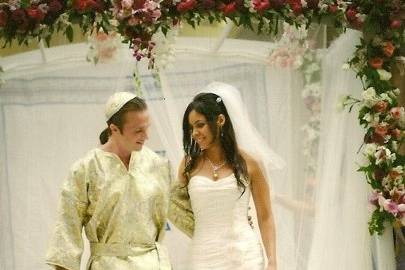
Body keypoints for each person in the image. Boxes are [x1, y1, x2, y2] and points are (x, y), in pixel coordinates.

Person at [46, 92, 172, 270]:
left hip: (153, 265)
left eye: (147, 127)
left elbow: (179, 210)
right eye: (138, 130)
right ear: (114, 129)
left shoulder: (157, 165)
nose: (146, 136)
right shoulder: (86, 169)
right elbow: (67, 233)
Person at [169, 82, 280, 270]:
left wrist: (272, 261)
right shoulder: (188, 164)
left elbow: (266, 216)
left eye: (200, 125)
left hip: (245, 257)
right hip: (203, 256)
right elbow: (175, 207)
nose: (195, 133)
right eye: (190, 128)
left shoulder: (250, 163)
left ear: (220, 120)